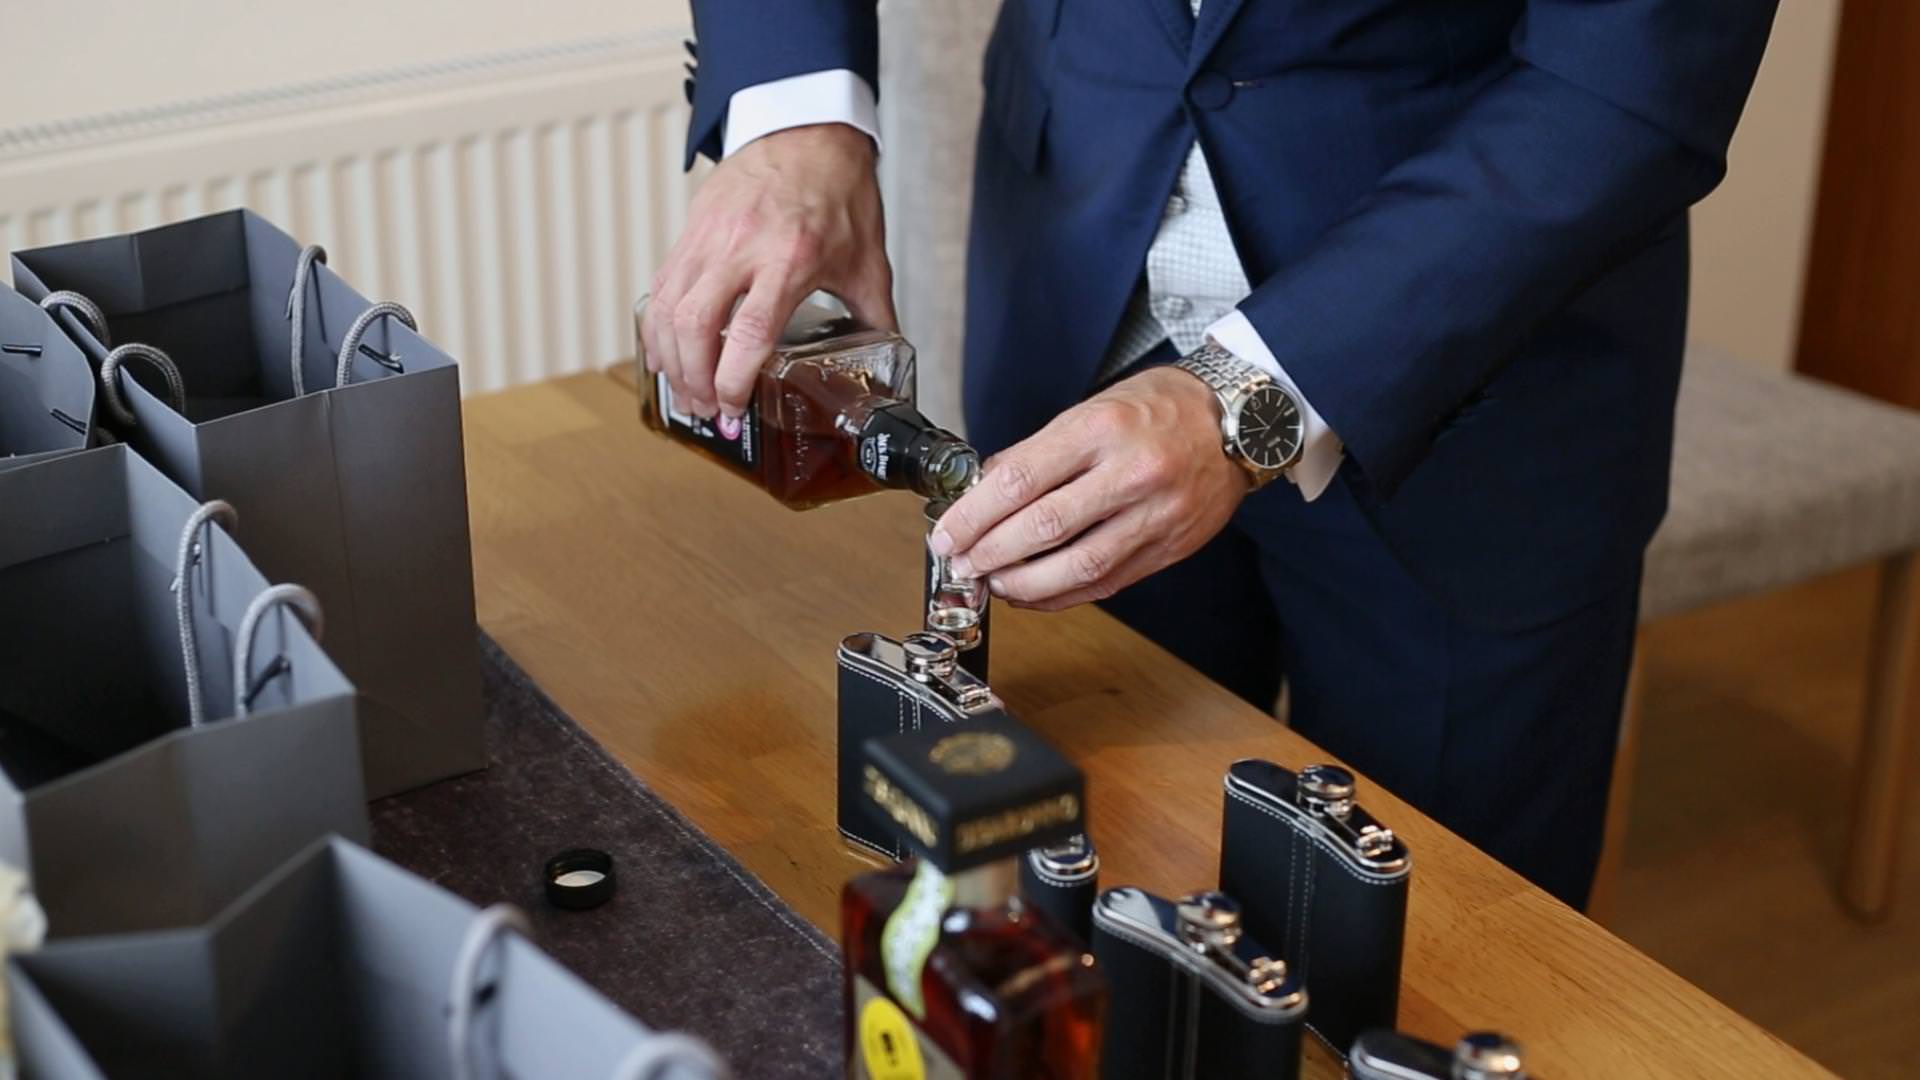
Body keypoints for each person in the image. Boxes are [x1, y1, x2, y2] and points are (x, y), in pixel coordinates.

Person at [644, 0, 1778, 907]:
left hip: (1484, 395)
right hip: (1075, 305)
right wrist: (794, 112)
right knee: (1058, 901)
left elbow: (1630, 81)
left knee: (1428, 961)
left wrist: (1253, 399)